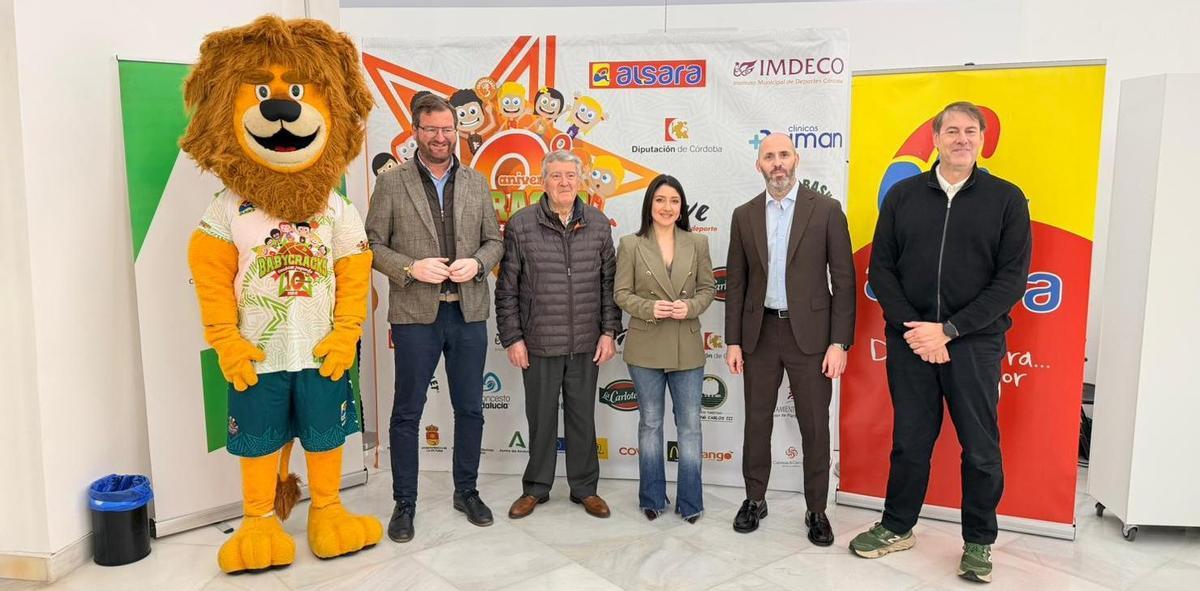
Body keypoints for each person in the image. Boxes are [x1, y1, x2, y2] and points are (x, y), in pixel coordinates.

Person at [850, 101, 1032, 584]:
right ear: (935, 139)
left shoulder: (1007, 200)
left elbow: (1011, 281)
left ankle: (979, 541)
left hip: (974, 343)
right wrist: (917, 329)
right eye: (951, 130)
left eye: (970, 131)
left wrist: (949, 330)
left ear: (982, 140)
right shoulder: (903, 196)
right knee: (910, 442)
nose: (961, 139)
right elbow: (882, 269)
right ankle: (897, 526)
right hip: (911, 340)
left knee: (980, 449)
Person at [365, 93, 504, 543]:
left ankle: (467, 491)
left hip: (468, 313)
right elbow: (372, 245)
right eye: (432, 130)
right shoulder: (391, 183)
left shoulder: (477, 182)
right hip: (414, 316)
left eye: (448, 129)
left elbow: (494, 241)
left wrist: (478, 264)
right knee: (407, 413)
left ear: (456, 131)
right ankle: (404, 503)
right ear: (416, 131)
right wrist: (410, 268)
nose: (441, 137)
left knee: (471, 408)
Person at [724, 133, 855, 545]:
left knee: (814, 426)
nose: (777, 163)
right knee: (756, 422)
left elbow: (844, 282)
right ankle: (754, 499)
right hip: (759, 334)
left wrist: (839, 342)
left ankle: (816, 509)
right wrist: (732, 341)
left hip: (812, 338)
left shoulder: (827, 210)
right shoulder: (744, 215)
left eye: (783, 155)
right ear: (759, 165)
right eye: (769, 157)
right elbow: (736, 283)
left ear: (796, 159)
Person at [495, 149, 621, 520]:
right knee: (541, 419)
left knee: (583, 418)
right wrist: (513, 338)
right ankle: (536, 488)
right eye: (556, 176)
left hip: (585, 342)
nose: (564, 183)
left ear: (580, 180)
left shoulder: (598, 223)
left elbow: (609, 283)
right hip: (539, 343)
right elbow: (507, 289)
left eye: (570, 175)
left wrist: (608, 331)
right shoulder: (521, 225)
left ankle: (585, 489)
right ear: (543, 181)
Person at [614, 174, 715, 523]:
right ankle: (652, 498)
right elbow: (621, 293)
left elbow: (708, 289)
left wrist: (691, 307)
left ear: (682, 207)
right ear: (649, 204)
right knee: (651, 424)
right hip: (645, 347)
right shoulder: (630, 244)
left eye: (674, 200)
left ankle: (691, 502)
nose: (667, 207)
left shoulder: (697, 243)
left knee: (690, 427)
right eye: (660, 200)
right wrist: (648, 307)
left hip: (687, 346)